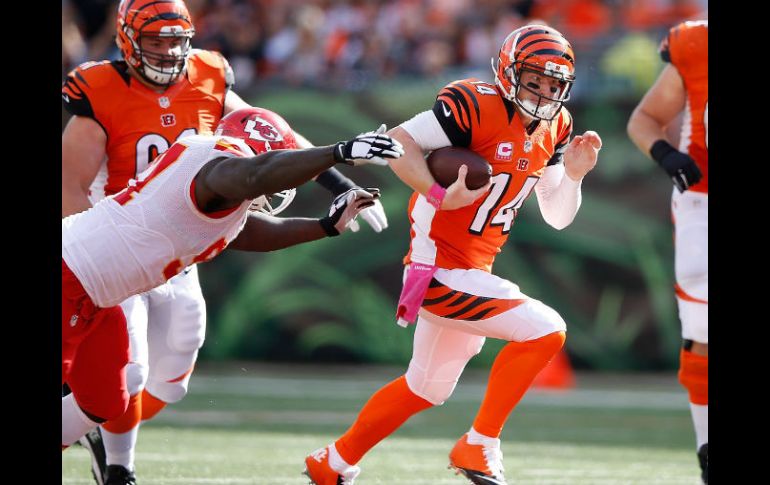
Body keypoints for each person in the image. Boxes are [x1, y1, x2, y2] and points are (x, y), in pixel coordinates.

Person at [61, 1, 387, 483]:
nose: (169, 52)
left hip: (120, 276)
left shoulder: (215, 119)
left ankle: (103, 445)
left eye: (177, 40)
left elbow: (253, 221)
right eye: (156, 40)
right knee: (126, 378)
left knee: (120, 392)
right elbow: (258, 169)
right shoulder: (211, 164)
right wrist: (340, 152)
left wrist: (329, 213)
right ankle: (119, 467)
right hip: (84, 267)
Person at [304, 24, 601, 485]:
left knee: (424, 389)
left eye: (553, 84)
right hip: (437, 269)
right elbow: (398, 141)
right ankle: (480, 444)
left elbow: (558, 216)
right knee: (547, 332)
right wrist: (436, 193)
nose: (543, 93)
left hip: (473, 270)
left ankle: (333, 462)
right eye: (534, 80)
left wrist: (575, 176)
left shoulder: (556, 126)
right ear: (507, 73)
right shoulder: (475, 104)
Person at [62, 106, 402, 455]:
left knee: (104, 399)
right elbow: (255, 175)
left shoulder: (219, 193)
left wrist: (325, 226)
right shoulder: (219, 160)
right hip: (71, 275)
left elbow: (248, 233)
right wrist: (339, 152)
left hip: (99, 295)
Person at [627, 19, 708, 484]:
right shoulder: (695, 44)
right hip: (703, 196)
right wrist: (665, 153)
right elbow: (643, 118)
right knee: (700, 319)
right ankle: (706, 446)